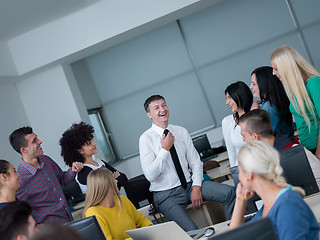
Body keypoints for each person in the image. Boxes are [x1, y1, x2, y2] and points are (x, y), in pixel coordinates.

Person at [139, 95, 235, 231]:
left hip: (189, 186)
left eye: (164, 105)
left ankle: (235, 232)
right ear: (149, 114)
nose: (162, 109)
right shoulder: (145, 139)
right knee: (192, 230)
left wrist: (196, 187)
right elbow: (150, 175)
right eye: (156, 107)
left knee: (230, 193)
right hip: (166, 196)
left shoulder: (180, 131)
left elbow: (196, 162)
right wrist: (164, 149)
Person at [229, 141, 319, 240]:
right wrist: (240, 200)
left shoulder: (287, 204)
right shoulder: (266, 207)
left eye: (239, 171)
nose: (239, 177)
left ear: (249, 174)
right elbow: (235, 236)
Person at [9, 126, 83, 224]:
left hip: (68, 220)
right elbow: (23, 212)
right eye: (34, 141)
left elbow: (63, 180)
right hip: (50, 231)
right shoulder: (20, 178)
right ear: (24, 150)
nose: (40, 141)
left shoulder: (46, 160)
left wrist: (73, 171)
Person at [238, 109, 320, 188]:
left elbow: (318, 178)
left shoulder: (294, 150)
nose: (243, 140)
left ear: (255, 136)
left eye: (243, 135)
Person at [270, 45, 320, 158]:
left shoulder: (314, 83)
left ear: (287, 68)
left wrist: (318, 152)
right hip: (308, 148)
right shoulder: (296, 90)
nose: (273, 73)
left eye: (276, 69)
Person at [60, 122, 128, 194]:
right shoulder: (84, 171)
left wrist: (113, 181)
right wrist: (115, 178)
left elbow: (123, 179)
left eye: (92, 140)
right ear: (80, 151)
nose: (94, 143)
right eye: (89, 143)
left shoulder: (99, 162)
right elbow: (106, 190)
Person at [84, 168, 152, 239]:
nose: (116, 181)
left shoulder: (122, 199)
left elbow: (141, 220)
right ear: (104, 185)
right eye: (112, 179)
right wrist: (139, 237)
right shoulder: (93, 213)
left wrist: (151, 229)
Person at [222, 81, 253, 187]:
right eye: (226, 98)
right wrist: (235, 175)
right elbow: (231, 152)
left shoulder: (256, 116)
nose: (227, 102)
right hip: (241, 171)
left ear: (240, 96)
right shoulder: (227, 122)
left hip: (258, 166)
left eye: (229, 97)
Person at [250, 66, 294, 137]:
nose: (251, 86)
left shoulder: (268, 108)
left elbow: (264, 137)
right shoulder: (273, 102)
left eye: (254, 84)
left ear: (264, 85)